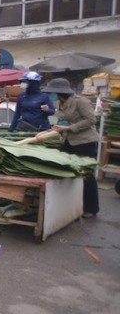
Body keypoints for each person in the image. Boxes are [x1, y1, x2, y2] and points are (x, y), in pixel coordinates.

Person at [43, 78, 100, 218]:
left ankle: (91, 208)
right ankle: (65, 205)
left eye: (53, 92)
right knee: (61, 168)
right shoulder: (62, 103)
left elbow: (91, 120)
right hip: (68, 141)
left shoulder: (80, 101)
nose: (52, 95)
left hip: (85, 142)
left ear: (60, 92)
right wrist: (55, 128)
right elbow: (63, 118)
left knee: (86, 174)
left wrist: (69, 127)